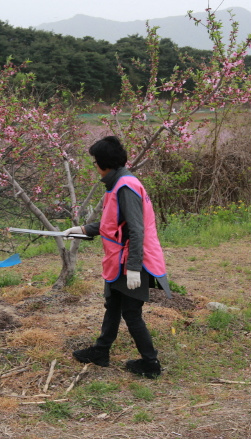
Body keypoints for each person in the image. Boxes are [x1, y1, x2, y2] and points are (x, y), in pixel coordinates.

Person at [64, 136, 171, 379]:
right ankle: (101, 352)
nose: (95, 166)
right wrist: (82, 230)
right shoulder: (118, 183)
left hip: (133, 261)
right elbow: (112, 223)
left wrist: (134, 267)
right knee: (113, 305)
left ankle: (150, 363)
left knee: (131, 313)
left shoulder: (126, 186)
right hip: (119, 259)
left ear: (103, 163)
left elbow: (136, 229)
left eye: (95, 161)